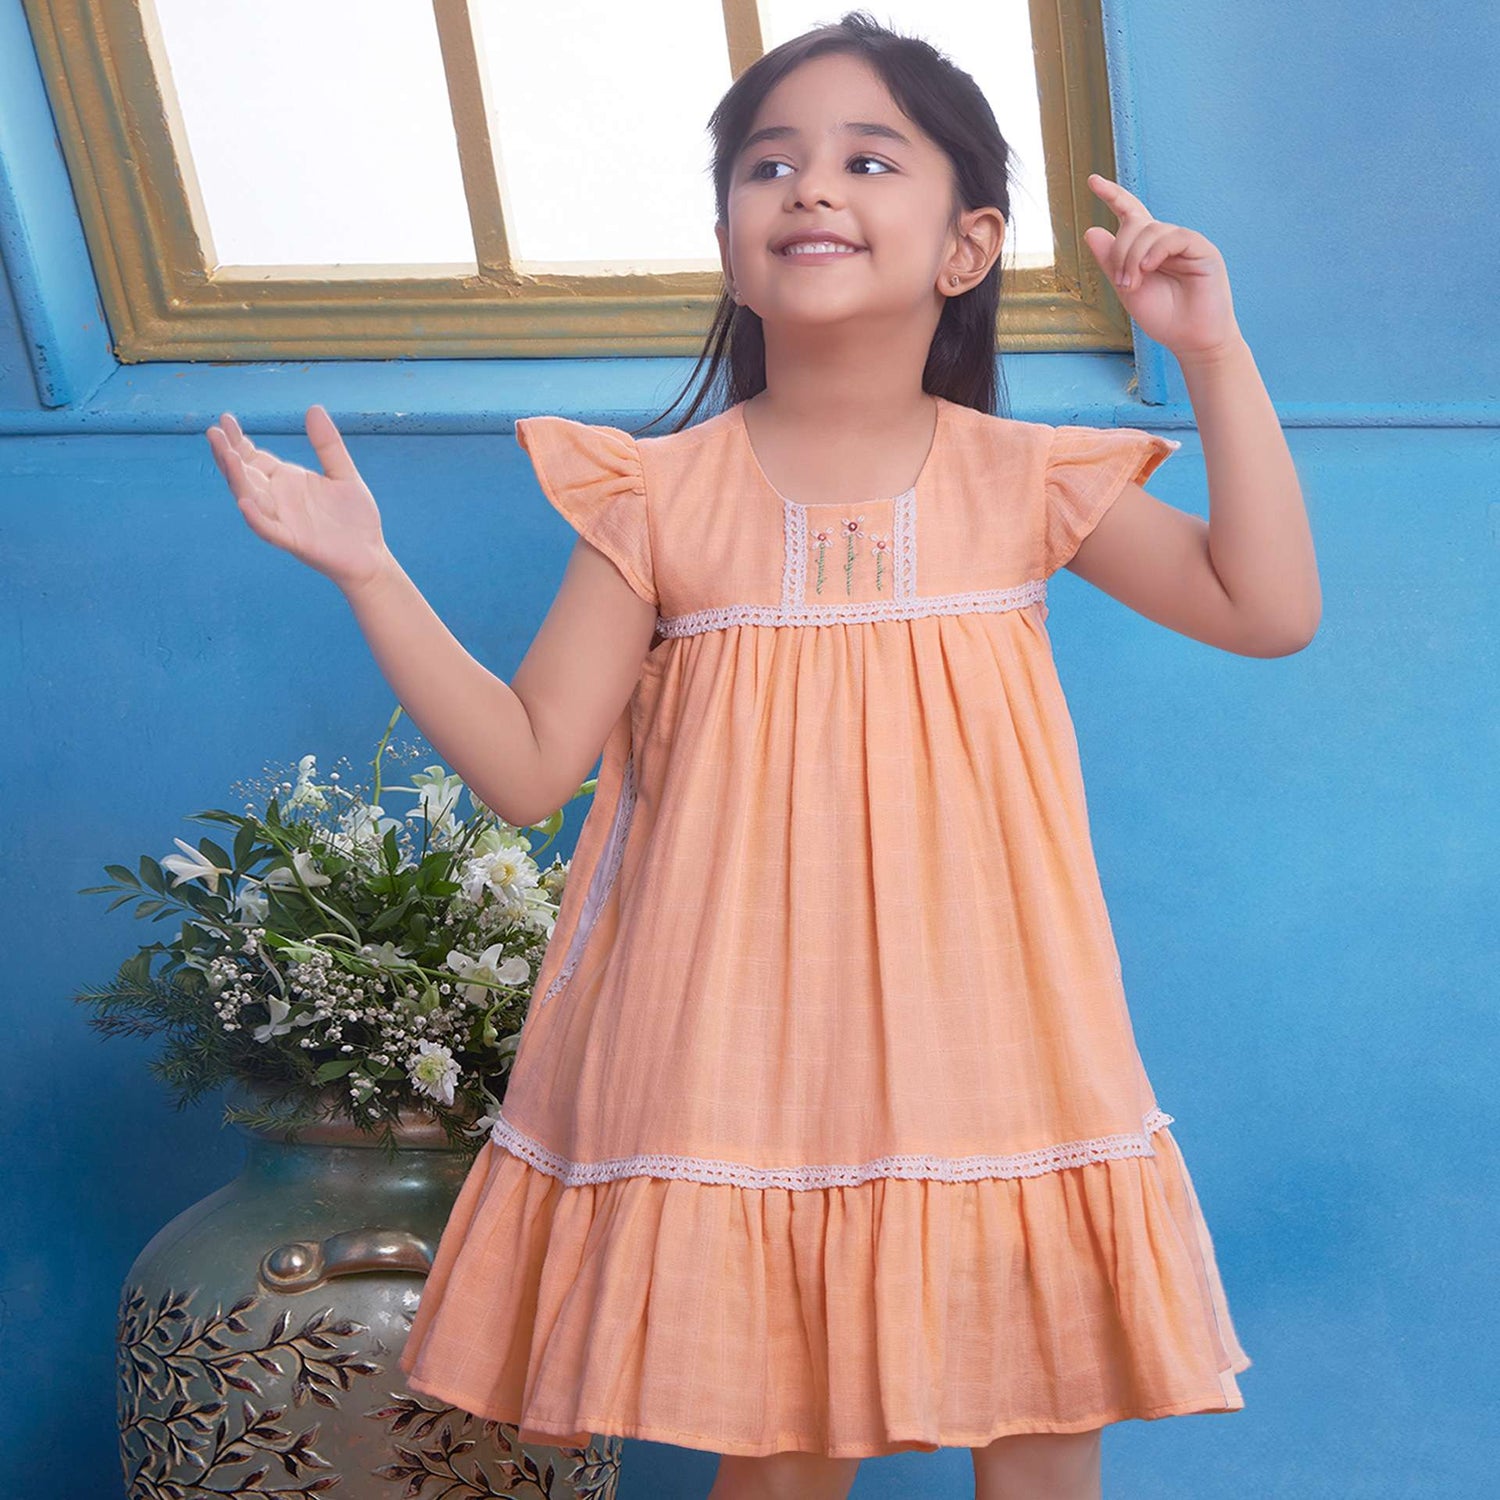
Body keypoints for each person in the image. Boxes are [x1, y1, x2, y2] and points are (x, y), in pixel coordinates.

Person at [205, 12, 1319, 1499]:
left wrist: (1214, 351)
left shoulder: (1022, 480)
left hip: (1002, 1038)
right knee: (778, 1450)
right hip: (744, 1059)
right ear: (729, 232)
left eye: (867, 158)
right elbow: (534, 766)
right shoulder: (657, 498)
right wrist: (370, 573)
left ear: (967, 243)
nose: (807, 189)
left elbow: (1268, 609)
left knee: (1043, 1433)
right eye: (768, 164)